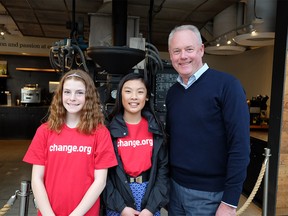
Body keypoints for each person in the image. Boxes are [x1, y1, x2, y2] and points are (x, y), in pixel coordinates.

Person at [166, 25, 250, 216]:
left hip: (210, 196)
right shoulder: (173, 93)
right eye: (176, 51)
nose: (183, 56)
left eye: (189, 49)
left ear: (201, 50)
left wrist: (230, 201)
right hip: (175, 190)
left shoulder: (228, 86)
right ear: (171, 55)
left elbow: (240, 147)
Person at [23, 69, 118, 216]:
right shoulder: (45, 131)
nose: (72, 98)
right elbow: (36, 179)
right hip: (49, 211)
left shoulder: (100, 133)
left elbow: (100, 181)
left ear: (89, 96)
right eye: (67, 92)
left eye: (79, 93)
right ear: (60, 95)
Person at [102, 72, 169, 216]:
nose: (134, 97)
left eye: (140, 92)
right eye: (128, 91)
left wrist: (151, 208)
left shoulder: (156, 129)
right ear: (120, 95)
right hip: (118, 201)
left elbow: (163, 171)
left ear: (146, 96)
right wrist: (121, 208)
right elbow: (104, 176)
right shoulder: (108, 131)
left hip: (149, 199)